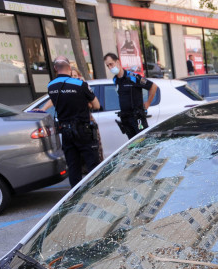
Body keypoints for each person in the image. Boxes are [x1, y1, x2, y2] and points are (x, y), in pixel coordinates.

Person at [47, 56, 100, 187]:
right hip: (83, 130)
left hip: (65, 131)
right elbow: (97, 105)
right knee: (92, 164)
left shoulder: (51, 86)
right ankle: (97, 191)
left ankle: (75, 195)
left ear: (55, 68)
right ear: (69, 68)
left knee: (73, 165)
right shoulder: (80, 84)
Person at [104, 52, 158, 140]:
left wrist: (148, 103)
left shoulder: (133, 77)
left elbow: (153, 86)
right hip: (126, 118)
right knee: (132, 145)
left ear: (117, 62)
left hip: (137, 118)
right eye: (108, 66)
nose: (110, 67)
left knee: (144, 142)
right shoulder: (115, 80)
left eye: (111, 64)